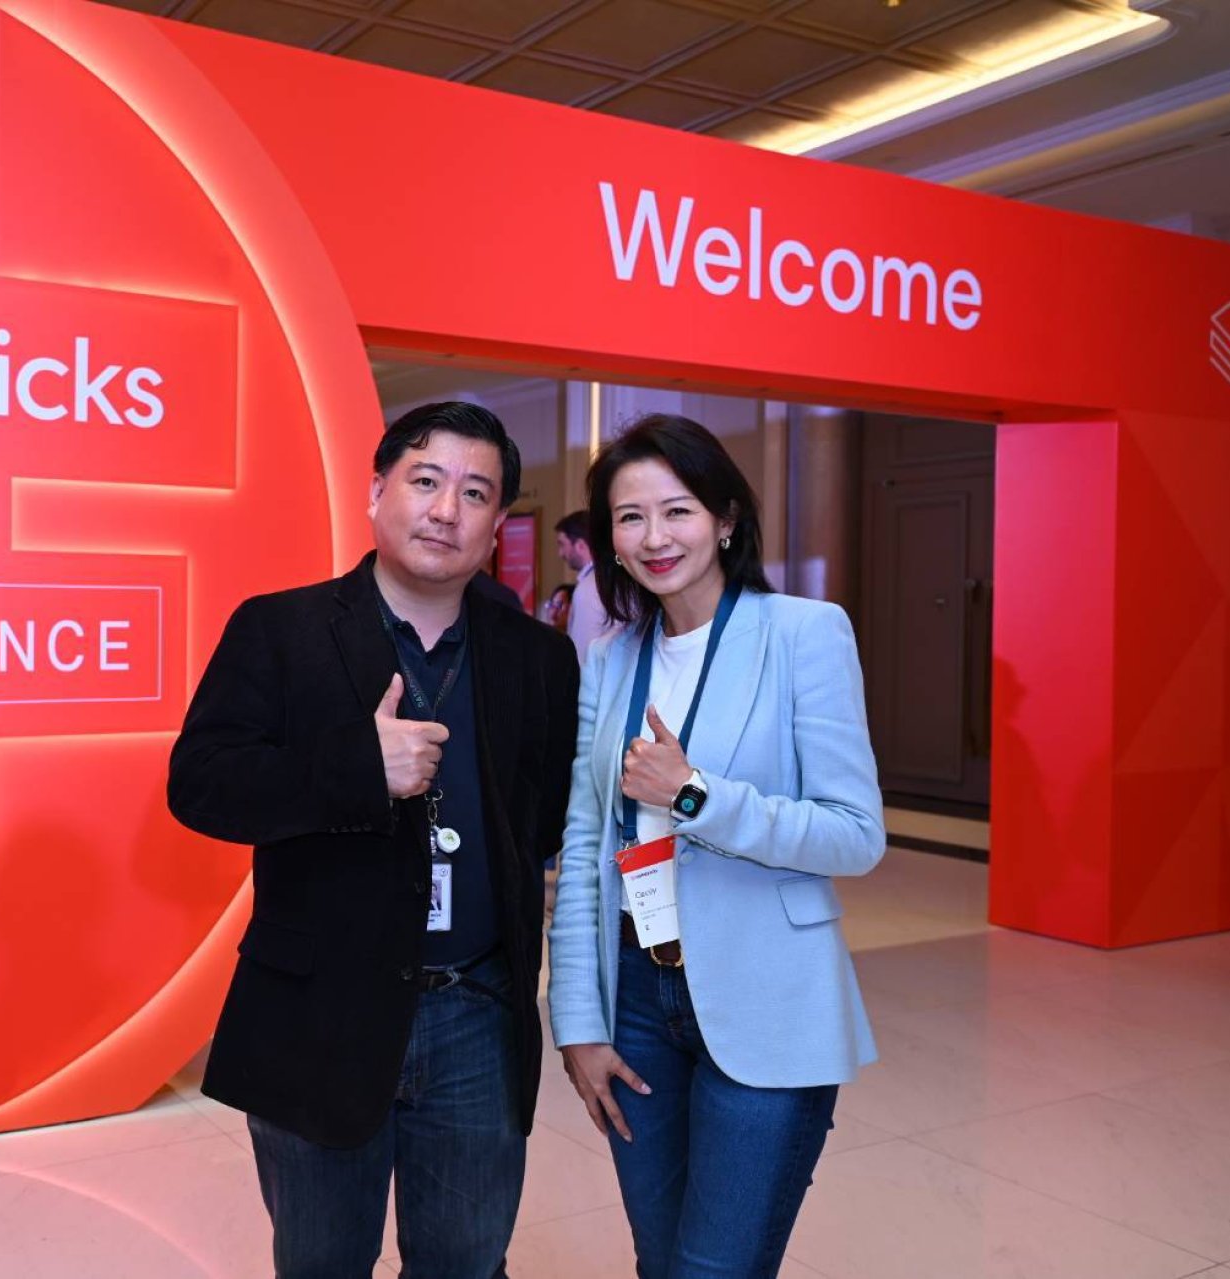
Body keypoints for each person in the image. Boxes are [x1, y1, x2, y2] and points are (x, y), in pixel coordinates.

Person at [168, 400, 580, 1278]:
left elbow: (540, 823)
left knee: (467, 1262)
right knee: (322, 1262)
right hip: (320, 1012)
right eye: (425, 480)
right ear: (375, 493)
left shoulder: (537, 657)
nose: (446, 510)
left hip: (476, 1011)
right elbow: (200, 786)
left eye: (476, 493)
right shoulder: (279, 630)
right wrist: (359, 765)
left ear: (495, 525)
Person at [547, 413, 884, 1279]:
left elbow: (855, 835)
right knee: (660, 1261)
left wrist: (696, 796)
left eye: (678, 510)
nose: (654, 537)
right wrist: (577, 1020)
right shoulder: (611, 657)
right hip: (636, 993)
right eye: (630, 517)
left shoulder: (804, 632)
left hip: (766, 992)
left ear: (726, 517)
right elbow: (584, 844)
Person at [556, 508, 620, 660]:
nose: (560, 553)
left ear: (580, 546)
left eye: (562, 544)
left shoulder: (589, 589)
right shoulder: (614, 579)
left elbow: (582, 655)